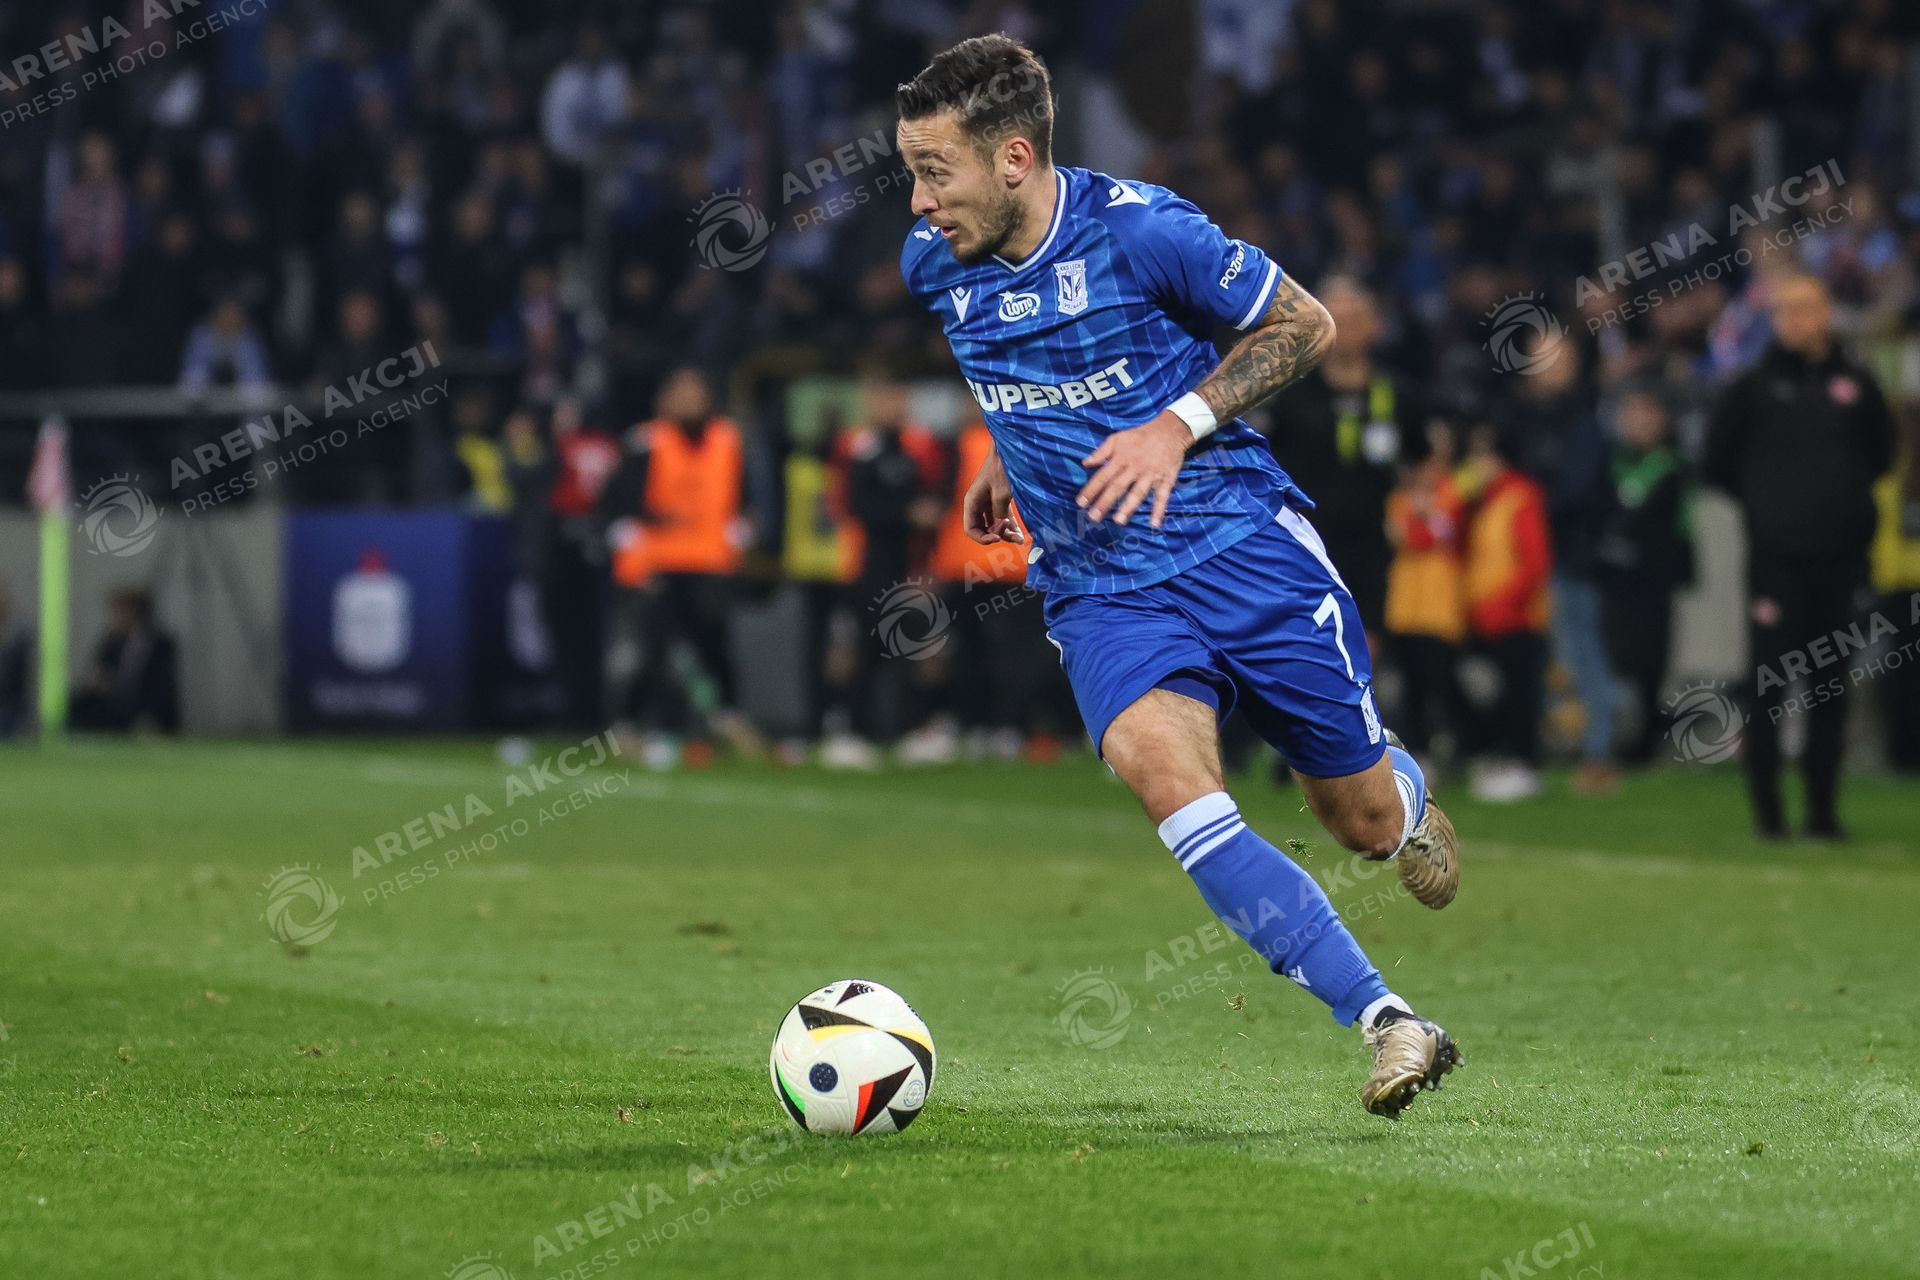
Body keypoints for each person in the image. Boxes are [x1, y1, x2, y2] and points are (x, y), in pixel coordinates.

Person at [896, 35, 1461, 1119]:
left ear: (1014, 158)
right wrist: (1006, 453)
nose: (919, 203)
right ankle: (1389, 1019)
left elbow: (1306, 323)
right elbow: (1013, 362)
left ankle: (1403, 790)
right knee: (1169, 785)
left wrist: (1175, 425)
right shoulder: (938, 260)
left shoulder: (1143, 230)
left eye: (935, 171)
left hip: (1241, 545)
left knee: (1358, 823)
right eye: (910, 173)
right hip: (1100, 583)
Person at [1704, 275, 1897, 839]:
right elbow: (1716, 463)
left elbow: (1881, 455)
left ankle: (1823, 812)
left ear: (1827, 314)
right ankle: (1768, 812)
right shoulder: (1752, 388)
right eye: (1786, 310)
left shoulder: (1857, 384)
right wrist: (1768, 503)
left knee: (1829, 686)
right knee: (1768, 685)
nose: (1796, 320)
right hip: (1775, 562)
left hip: (1839, 561)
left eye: (1807, 308)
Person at [604, 368, 754, 765]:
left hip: (709, 561)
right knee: (649, 650)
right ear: (664, 400)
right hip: (658, 562)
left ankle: (724, 719)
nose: (690, 401)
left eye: (696, 392)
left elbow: (744, 499)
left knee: (714, 643)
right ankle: (634, 726)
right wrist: (636, 560)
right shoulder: (645, 442)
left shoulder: (727, 439)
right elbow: (618, 506)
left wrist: (741, 535)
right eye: (682, 393)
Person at [1261, 278, 1415, 638]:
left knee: (1371, 642)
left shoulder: (1395, 391)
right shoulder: (1290, 394)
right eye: (1336, 319)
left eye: (1354, 320)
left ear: (1374, 325)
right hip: (1308, 543)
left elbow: (1424, 455)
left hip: (1376, 545)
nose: (1345, 331)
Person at [1506, 340, 1618, 793]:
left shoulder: (1582, 422)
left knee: (1581, 654)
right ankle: (1553, 747)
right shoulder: (1525, 418)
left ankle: (1599, 753)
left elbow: (1575, 489)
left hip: (1570, 558)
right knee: (1544, 657)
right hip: (1531, 558)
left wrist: (1526, 504)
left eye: (1556, 360)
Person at [1597, 388, 1695, 765]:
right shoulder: (1610, 463)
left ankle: (1647, 736)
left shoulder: (1672, 468)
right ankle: (1632, 730)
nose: (1637, 422)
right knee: (1619, 654)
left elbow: (1671, 527)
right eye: (1631, 413)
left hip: (1653, 580)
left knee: (1650, 657)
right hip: (1616, 579)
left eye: (1646, 413)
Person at [1459, 422, 1552, 800]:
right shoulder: (1483, 502)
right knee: (1491, 695)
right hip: (1488, 620)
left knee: (1519, 696)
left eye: (1482, 455)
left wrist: (1503, 605)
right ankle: (1500, 760)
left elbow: (1534, 563)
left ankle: (1523, 766)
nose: (1474, 464)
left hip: (1517, 620)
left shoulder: (1520, 497)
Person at [1383, 420, 1468, 764]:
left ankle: (1453, 751)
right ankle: (1418, 754)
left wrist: (1422, 518)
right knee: (1412, 686)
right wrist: (1423, 519)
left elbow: (1432, 537)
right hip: (1405, 608)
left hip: (1440, 607)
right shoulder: (1401, 498)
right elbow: (1404, 536)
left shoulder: (1454, 492)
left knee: (1441, 686)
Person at [1869, 419, 1920, 774]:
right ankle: (1904, 753)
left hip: (1897, 589)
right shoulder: (1893, 485)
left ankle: (1902, 754)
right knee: (1901, 676)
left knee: (1900, 674)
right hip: (1899, 591)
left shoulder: (1891, 484)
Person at [70, 587, 180, 734]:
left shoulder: (161, 643)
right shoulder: (111, 641)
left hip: (145, 702)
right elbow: (99, 671)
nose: (113, 617)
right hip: (115, 701)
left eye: (118, 611)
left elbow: (162, 685)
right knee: (79, 702)